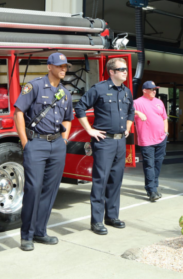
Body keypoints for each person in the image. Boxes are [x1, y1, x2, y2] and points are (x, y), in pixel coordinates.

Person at [13, 53, 73, 251]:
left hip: (57, 144)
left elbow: (68, 118)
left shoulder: (65, 92)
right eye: (59, 66)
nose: (63, 69)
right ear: (49, 67)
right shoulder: (35, 86)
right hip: (36, 143)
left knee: (50, 189)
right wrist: (25, 142)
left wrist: (64, 141)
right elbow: (19, 112)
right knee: (33, 188)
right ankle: (27, 235)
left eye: (65, 66)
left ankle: (40, 232)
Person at [74, 58, 135, 235]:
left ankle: (112, 216)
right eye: (121, 69)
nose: (125, 72)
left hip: (120, 142)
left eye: (126, 69)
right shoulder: (99, 89)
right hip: (104, 142)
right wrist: (90, 130)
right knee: (100, 180)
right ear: (112, 72)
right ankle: (97, 221)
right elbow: (80, 108)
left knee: (116, 180)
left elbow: (131, 110)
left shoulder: (126, 92)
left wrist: (128, 127)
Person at [134, 81, 168, 201]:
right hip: (146, 140)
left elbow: (164, 118)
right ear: (144, 90)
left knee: (157, 164)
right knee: (149, 165)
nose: (154, 91)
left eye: (155, 89)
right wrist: (137, 112)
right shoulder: (137, 102)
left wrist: (166, 133)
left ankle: (153, 187)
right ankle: (152, 191)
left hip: (161, 138)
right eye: (152, 89)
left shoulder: (159, 102)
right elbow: (126, 111)